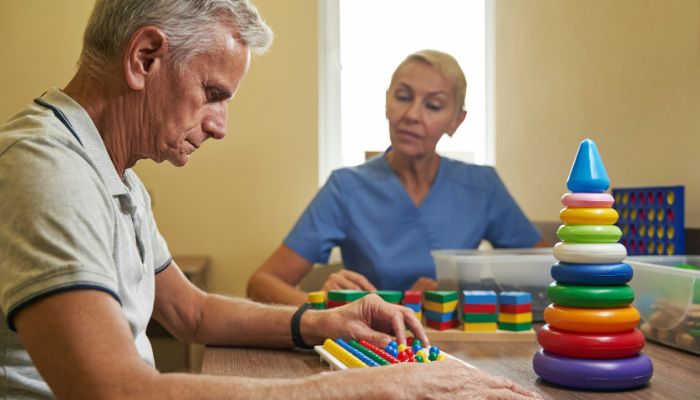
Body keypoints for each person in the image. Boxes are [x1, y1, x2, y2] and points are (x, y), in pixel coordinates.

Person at [0, 1, 542, 399]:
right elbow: (115, 391)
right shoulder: (46, 167)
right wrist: (383, 386)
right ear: (144, 58)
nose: (219, 127)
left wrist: (320, 322)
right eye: (213, 95)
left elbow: (191, 311)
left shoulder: (115, 177)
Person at [247, 50, 548, 305]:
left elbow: (548, 275)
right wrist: (331, 307)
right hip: (373, 348)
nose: (412, 115)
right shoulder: (346, 188)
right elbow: (261, 283)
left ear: (456, 121)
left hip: (457, 351)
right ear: (387, 102)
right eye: (403, 97)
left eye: (433, 105)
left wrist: (458, 294)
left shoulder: (482, 187)